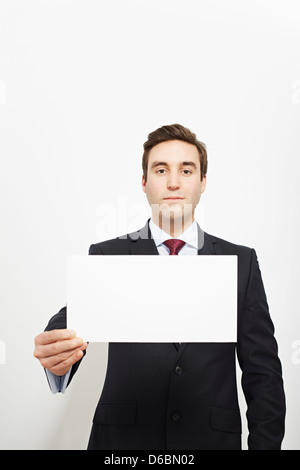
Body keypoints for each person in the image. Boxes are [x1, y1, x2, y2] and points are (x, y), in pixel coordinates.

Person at [34, 124, 286, 450]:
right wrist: (58, 349)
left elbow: (262, 373)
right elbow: (73, 320)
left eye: (186, 170)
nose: (173, 182)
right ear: (144, 182)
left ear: (203, 182)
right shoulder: (110, 255)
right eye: (161, 169)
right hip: (124, 445)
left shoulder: (241, 262)